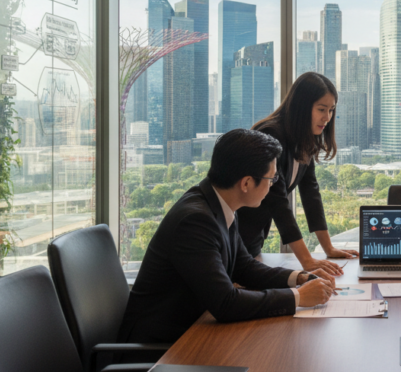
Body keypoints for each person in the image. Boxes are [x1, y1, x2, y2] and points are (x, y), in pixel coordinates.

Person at [118, 129, 336, 349]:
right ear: (246, 183)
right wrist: (297, 297)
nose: (273, 185)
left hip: (192, 334)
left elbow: (245, 267)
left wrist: (298, 278)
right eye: (272, 178)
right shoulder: (195, 221)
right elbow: (226, 303)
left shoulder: (218, 204)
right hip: (159, 349)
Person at [238, 72, 357, 277]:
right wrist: (307, 260)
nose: (327, 118)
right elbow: (278, 202)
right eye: (321, 109)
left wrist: (328, 248)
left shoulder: (304, 139)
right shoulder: (270, 134)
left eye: (331, 110)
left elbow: (310, 192)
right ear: (302, 107)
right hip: (236, 233)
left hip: (253, 237)